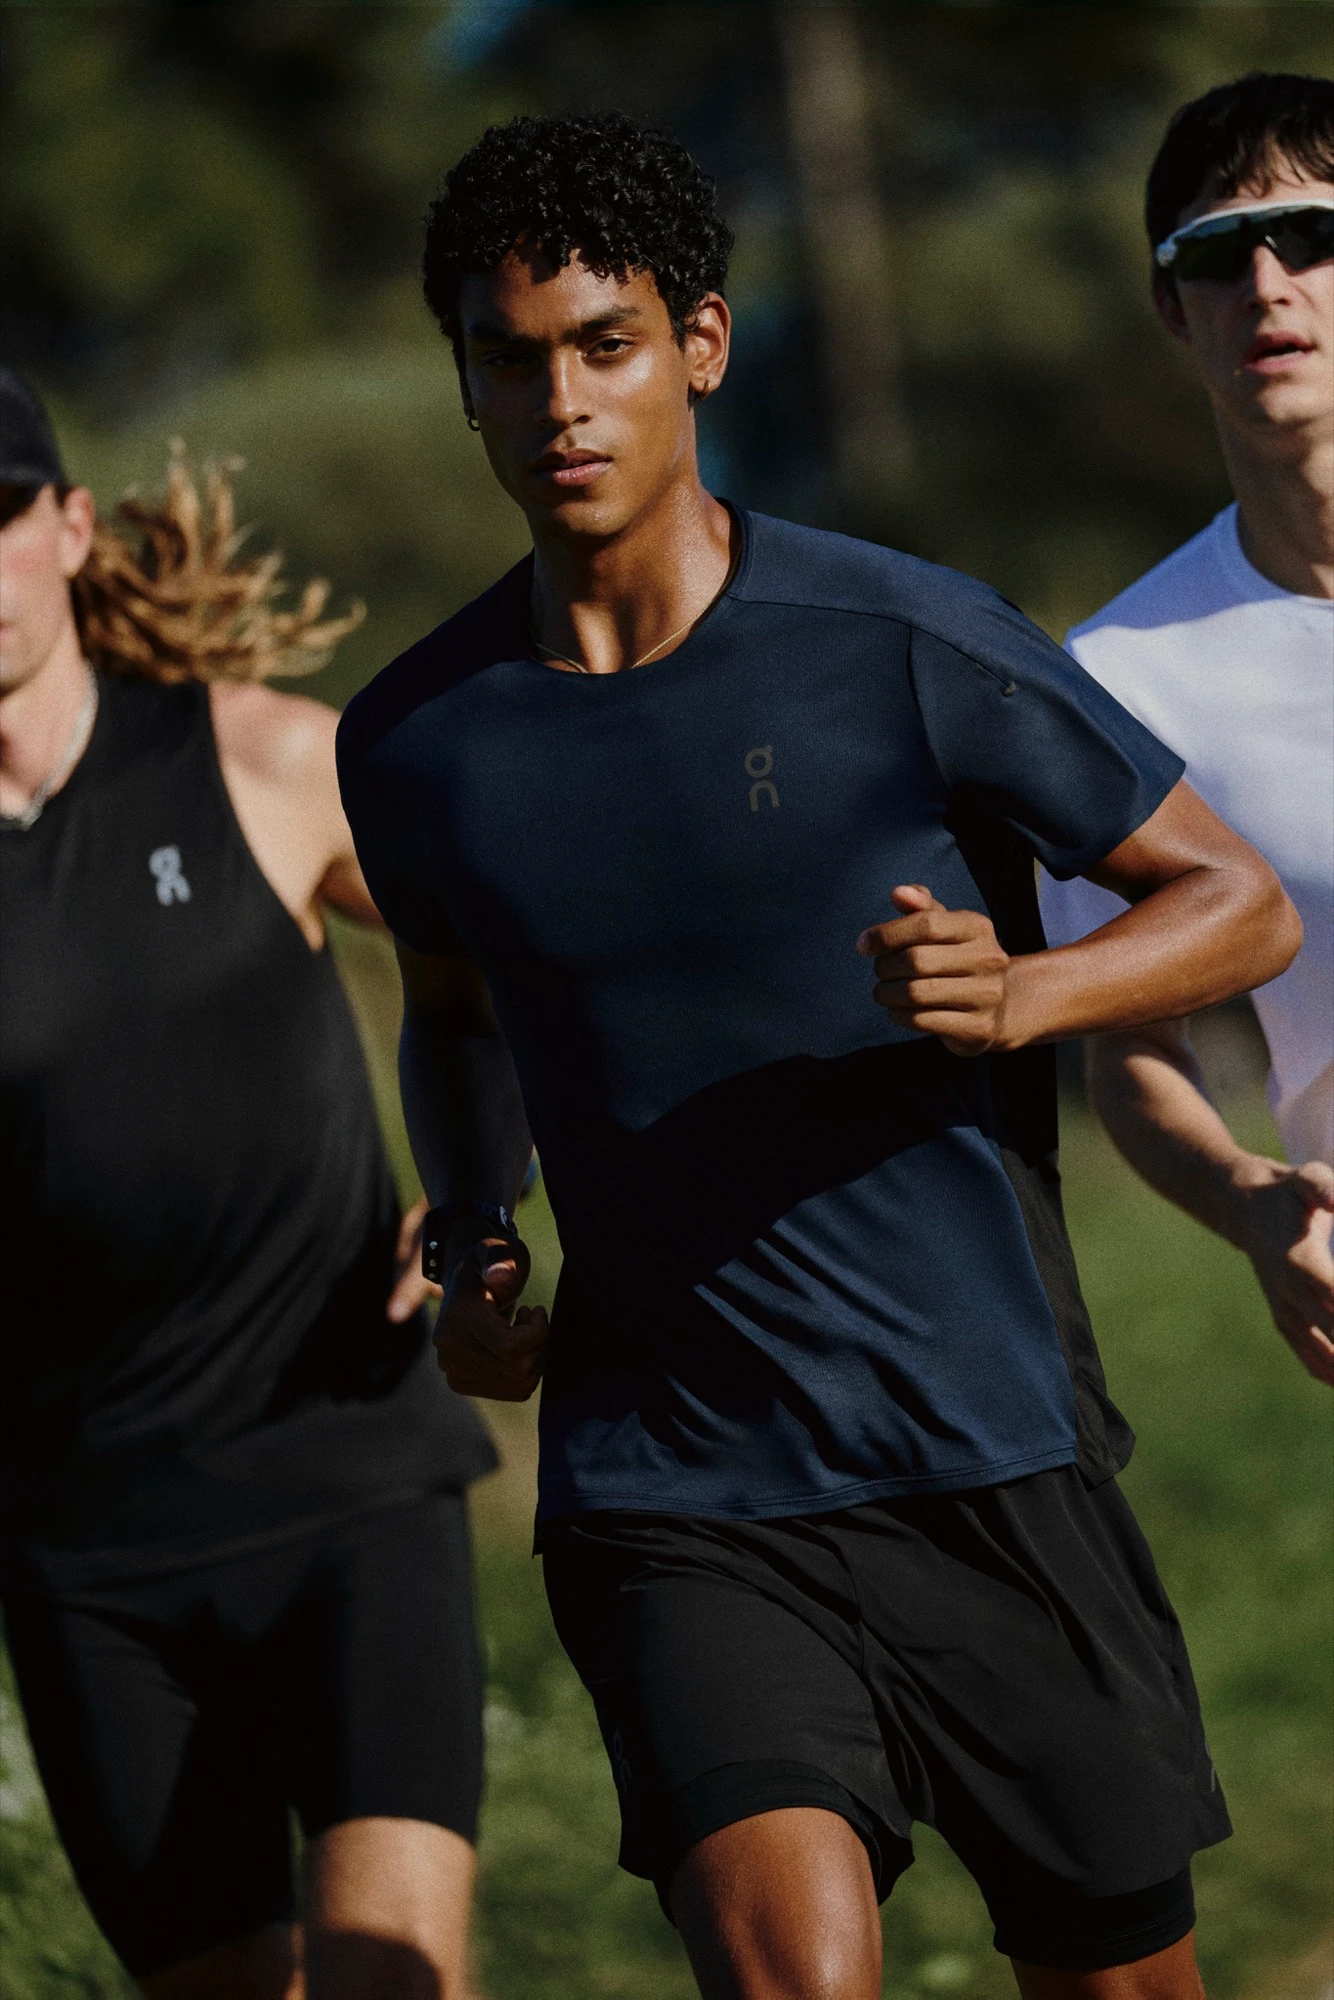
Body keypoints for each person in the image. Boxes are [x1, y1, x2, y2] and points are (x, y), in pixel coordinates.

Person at [336, 113, 1299, 1998]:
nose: (559, 402)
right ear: (463, 382)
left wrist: (1022, 994)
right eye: (508, 358)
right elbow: (460, 1025)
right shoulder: (421, 740)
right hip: (673, 1484)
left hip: (980, 1444)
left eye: (602, 343)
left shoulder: (898, 637)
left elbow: (1236, 904)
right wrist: (469, 1224)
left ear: (697, 342)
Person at [0, 368, 496, 2000]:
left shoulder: (264, 759)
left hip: (342, 1478)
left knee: (385, 1978)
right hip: (84, 1551)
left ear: (68, 527)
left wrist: (478, 1174)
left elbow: (506, 976)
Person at [1039, 72, 1334, 1390]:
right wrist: (1249, 1202)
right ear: (1172, 307)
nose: (1267, 285)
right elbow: (1131, 1046)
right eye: (1217, 251)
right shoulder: (1112, 681)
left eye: (1313, 235)